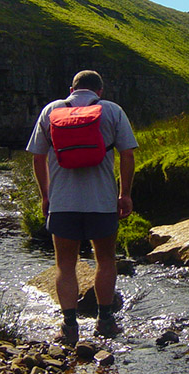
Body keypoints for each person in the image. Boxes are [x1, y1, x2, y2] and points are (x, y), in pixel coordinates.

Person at [26, 70, 138, 345]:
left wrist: (45, 196)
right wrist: (125, 194)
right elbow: (127, 154)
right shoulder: (112, 110)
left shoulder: (51, 110)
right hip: (101, 202)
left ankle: (69, 326)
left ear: (71, 89)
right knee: (106, 260)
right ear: (99, 91)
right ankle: (105, 321)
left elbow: (38, 158)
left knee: (65, 265)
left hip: (63, 202)